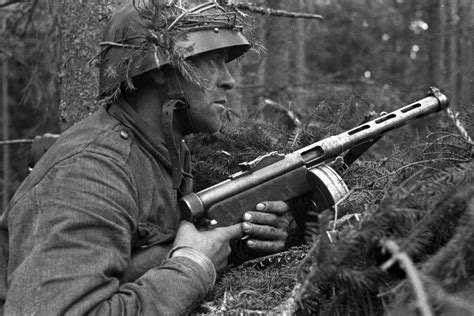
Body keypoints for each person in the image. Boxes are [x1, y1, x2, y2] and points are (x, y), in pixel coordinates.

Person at [0, 1, 290, 315]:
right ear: (161, 71)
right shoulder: (90, 175)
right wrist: (193, 268)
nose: (229, 79)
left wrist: (234, 243)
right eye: (212, 60)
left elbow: (149, 256)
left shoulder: (160, 149)